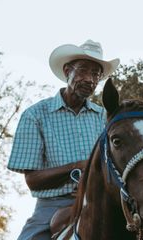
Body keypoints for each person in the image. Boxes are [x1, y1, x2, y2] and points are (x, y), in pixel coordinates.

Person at [7, 39, 120, 240]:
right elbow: (33, 181)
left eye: (96, 74)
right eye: (84, 70)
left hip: (101, 202)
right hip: (52, 206)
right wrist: (79, 166)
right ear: (68, 71)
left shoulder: (105, 117)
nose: (90, 79)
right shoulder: (36, 115)